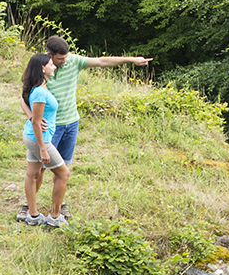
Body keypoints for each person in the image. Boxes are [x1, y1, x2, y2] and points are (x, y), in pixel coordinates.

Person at [19, 34, 151, 215]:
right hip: (50, 128)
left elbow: (102, 61)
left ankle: (57, 206)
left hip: (71, 123)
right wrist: (31, 117)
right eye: (60, 59)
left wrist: (131, 60)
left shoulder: (73, 61)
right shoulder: (42, 67)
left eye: (66, 57)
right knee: (39, 171)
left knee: (62, 168)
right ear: (50, 55)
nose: (64, 61)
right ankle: (29, 207)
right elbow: (24, 97)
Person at [19, 51, 69, 229]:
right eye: (51, 64)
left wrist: (32, 117)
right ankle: (54, 217)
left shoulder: (40, 86)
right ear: (42, 68)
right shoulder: (40, 92)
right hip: (40, 140)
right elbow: (36, 123)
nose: (54, 66)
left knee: (32, 174)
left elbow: (31, 114)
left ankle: (33, 216)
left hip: (33, 137)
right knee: (63, 174)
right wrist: (42, 149)